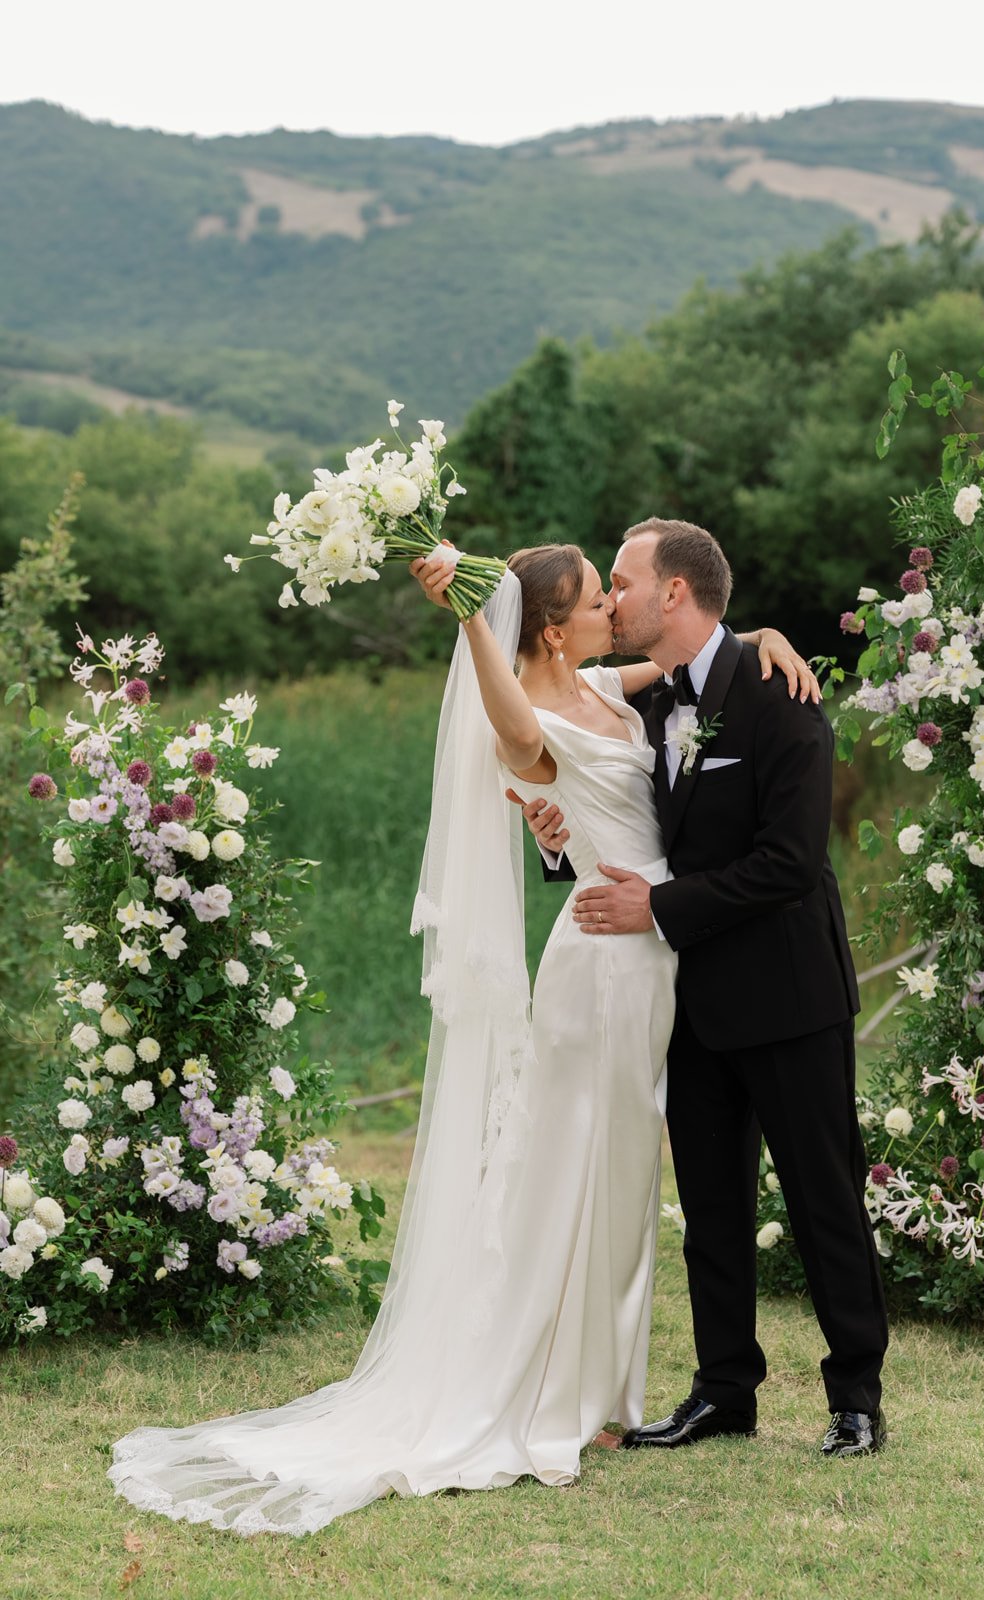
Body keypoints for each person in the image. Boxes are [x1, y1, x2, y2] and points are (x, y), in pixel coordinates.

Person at [107, 544, 813, 1535]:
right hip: (601, 966)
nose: (615, 605)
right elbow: (516, 728)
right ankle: (551, 1395)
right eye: (593, 597)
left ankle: (599, 1393)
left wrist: (766, 635)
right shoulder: (530, 715)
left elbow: (708, 659)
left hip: (654, 955)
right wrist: (466, 624)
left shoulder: (608, 683)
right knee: (575, 1168)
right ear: (553, 626)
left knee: (617, 1176)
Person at [519, 518, 888, 1459]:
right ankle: (724, 1390)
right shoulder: (642, 706)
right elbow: (631, 834)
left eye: (623, 582)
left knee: (822, 1196)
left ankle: (855, 1396)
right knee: (712, 1208)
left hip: (789, 996)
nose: (612, 599)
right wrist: (561, 844)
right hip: (685, 1000)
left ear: (674, 592)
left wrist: (662, 908)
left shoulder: (780, 691)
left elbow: (792, 862)